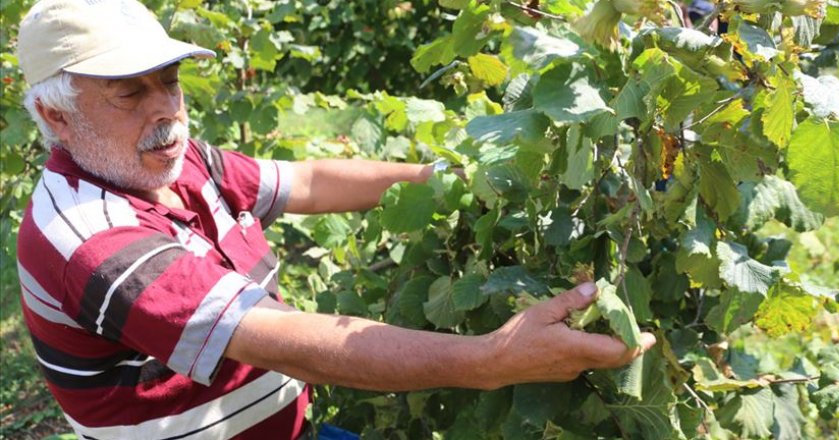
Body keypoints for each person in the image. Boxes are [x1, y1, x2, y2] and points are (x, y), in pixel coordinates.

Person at [14, 0, 656, 438]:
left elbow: (308, 181)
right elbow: (286, 342)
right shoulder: (88, 238)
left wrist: (450, 179)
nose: (167, 111)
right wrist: (492, 358)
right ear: (57, 118)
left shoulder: (170, 163)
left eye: (171, 82)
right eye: (129, 92)